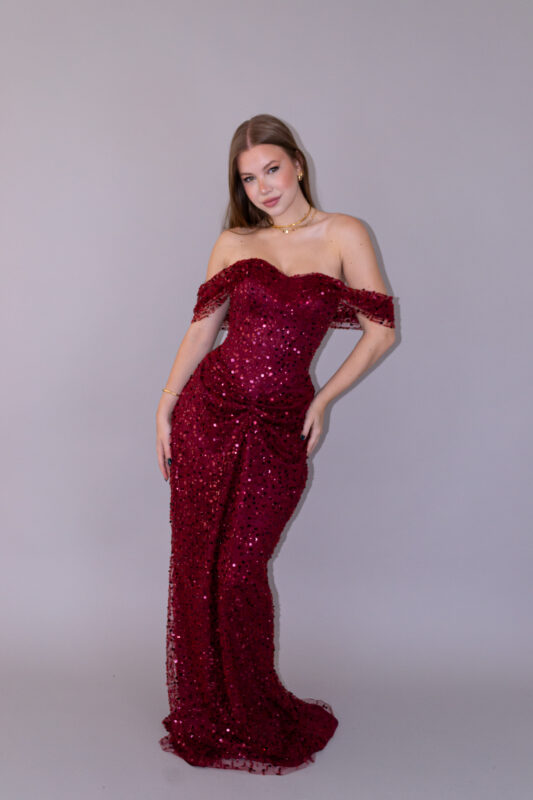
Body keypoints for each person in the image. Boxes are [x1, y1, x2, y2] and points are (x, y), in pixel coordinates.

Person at [155, 113, 397, 774]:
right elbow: (202, 329)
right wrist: (167, 403)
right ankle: (210, 709)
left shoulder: (344, 233)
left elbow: (380, 331)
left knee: (240, 569)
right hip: (208, 413)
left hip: (278, 425)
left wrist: (322, 399)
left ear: (297, 164)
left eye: (271, 169)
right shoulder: (234, 241)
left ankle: (251, 705)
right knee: (199, 564)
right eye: (248, 178)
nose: (263, 187)